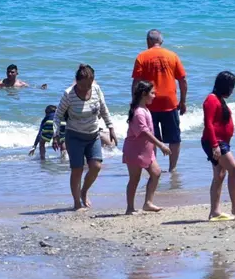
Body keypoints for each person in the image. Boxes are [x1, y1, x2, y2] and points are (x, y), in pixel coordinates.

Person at [56, 64, 116, 210]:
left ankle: (84, 192)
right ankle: (77, 202)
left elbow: (104, 109)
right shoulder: (68, 94)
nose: (86, 89)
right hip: (74, 135)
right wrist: (57, 133)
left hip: (93, 135)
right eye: (83, 86)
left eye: (89, 85)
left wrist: (111, 127)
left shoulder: (96, 89)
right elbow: (58, 115)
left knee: (96, 166)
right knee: (77, 169)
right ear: (76, 82)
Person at [131, 30, 188, 172]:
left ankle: (153, 167)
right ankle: (172, 168)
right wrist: (183, 101)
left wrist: (135, 103)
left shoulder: (142, 57)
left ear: (148, 41)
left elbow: (136, 83)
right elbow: (182, 81)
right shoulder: (172, 55)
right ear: (161, 41)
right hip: (170, 103)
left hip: (150, 104)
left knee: (151, 138)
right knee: (174, 138)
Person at [203, 71, 235, 221]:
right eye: (231, 86)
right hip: (215, 142)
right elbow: (208, 124)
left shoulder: (219, 99)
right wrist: (215, 145)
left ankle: (215, 212)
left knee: (220, 175)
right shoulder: (211, 100)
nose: (232, 90)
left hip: (221, 142)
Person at [123, 80, 169, 214]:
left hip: (146, 150)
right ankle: (130, 208)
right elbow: (144, 132)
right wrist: (160, 145)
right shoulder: (138, 112)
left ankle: (148, 203)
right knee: (134, 179)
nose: (154, 96)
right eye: (152, 93)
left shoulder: (145, 109)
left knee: (156, 172)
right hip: (134, 150)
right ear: (144, 94)